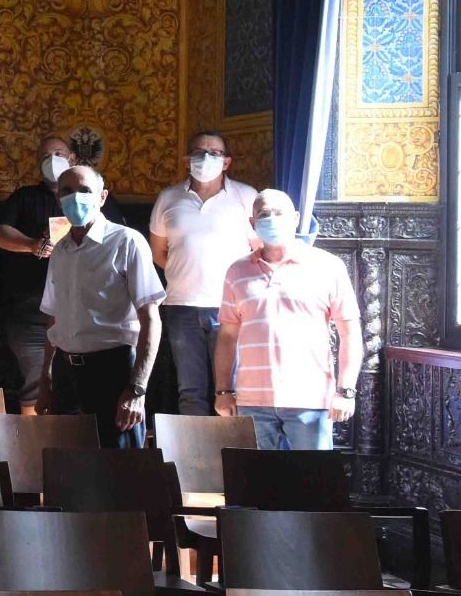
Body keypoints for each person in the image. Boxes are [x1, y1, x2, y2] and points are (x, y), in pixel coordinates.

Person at [213, 190, 362, 450]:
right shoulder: (236, 272)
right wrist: (223, 391)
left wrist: (346, 391)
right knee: (256, 485)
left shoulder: (327, 267)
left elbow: (350, 333)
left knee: (312, 483)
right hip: (251, 402)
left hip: (310, 400)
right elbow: (227, 337)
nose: (272, 219)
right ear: (253, 223)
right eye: (264, 214)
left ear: (295, 218)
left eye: (279, 213)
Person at [0, 135, 124, 413]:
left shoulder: (107, 215)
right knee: (35, 382)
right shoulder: (25, 197)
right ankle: (30, 446)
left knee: (78, 390)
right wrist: (30, 245)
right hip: (29, 312)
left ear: (73, 158)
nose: (52, 160)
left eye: (59, 153)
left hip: (83, 317)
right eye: (45, 156)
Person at [36, 166, 164, 448]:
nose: (75, 198)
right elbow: (54, 319)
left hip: (113, 370)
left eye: (84, 190)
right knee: (67, 470)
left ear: (102, 197)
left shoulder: (126, 242)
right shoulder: (60, 251)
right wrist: (45, 379)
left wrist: (137, 388)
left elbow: (151, 318)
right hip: (66, 373)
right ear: (58, 198)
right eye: (67, 191)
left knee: (119, 471)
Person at [149, 130, 258, 415]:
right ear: (187, 159)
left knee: (231, 390)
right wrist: (185, 272)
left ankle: (232, 455)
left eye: (215, 152)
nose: (206, 157)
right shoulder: (169, 198)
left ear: (227, 162)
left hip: (231, 310)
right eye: (199, 151)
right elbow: (158, 252)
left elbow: (258, 251)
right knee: (190, 391)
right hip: (181, 308)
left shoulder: (246, 197)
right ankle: (194, 459)